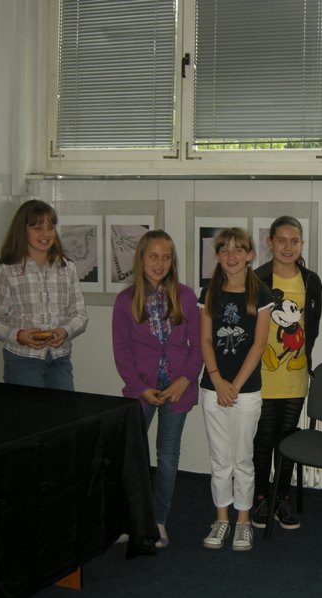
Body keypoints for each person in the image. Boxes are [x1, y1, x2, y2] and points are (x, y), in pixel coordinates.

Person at [112, 230, 203, 548]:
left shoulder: (186, 296)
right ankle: (130, 518)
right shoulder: (125, 301)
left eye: (166, 257)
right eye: (153, 256)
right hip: (142, 389)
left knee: (167, 456)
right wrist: (139, 387)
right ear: (141, 259)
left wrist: (185, 379)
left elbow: (198, 347)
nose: (160, 263)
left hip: (178, 388)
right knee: (132, 457)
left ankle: (158, 519)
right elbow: (121, 350)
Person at [198, 228, 273, 552]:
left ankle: (243, 521)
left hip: (246, 391)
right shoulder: (210, 292)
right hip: (213, 389)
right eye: (225, 250)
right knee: (219, 459)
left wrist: (235, 386)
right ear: (217, 256)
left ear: (250, 255)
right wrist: (217, 380)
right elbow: (205, 339)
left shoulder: (262, 294)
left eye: (238, 249)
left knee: (242, 459)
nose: (231, 256)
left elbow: (259, 344)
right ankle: (222, 519)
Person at [251, 216, 322, 530]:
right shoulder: (257, 280)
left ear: (302, 244)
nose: (288, 247)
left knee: (287, 440)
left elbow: (313, 326)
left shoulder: (311, 281)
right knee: (264, 439)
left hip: (295, 375)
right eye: (281, 240)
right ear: (270, 242)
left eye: (294, 241)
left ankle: (282, 498)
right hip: (263, 376)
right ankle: (261, 498)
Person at [0, 199, 88, 390]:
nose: (46, 234)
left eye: (50, 227)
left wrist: (65, 331)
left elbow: (80, 315)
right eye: (37, 228)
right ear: (22, 231)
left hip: (59, 359)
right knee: (30, 410)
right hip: (22, 361)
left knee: (64, 409)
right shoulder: (9, 270)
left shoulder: (67, 268)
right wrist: (18, 335)